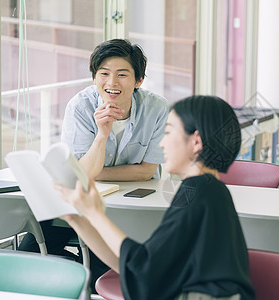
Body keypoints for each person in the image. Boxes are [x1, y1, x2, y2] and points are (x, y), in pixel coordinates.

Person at [57, 95, 255, 300]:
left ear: (195, 142)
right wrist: (77, 220)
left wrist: (95, 214)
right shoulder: (203, 190)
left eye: (168, 132)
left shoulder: (202, 193)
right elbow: (132, 265)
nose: (161, 144)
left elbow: (144, 267)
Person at [19, 39, 169, 290]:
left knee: (102, 272)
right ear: (94, 77)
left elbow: (146, 171)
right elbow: (83, 175)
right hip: (81, 201)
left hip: (130, 206)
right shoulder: (80, 106)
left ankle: (84, 277)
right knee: (29, 257)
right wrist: (102, 134)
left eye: (122, 75)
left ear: (138, 81)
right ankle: (70, 274)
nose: (112, 83)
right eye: (104, 74)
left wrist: (92, 171)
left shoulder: (157, 108)